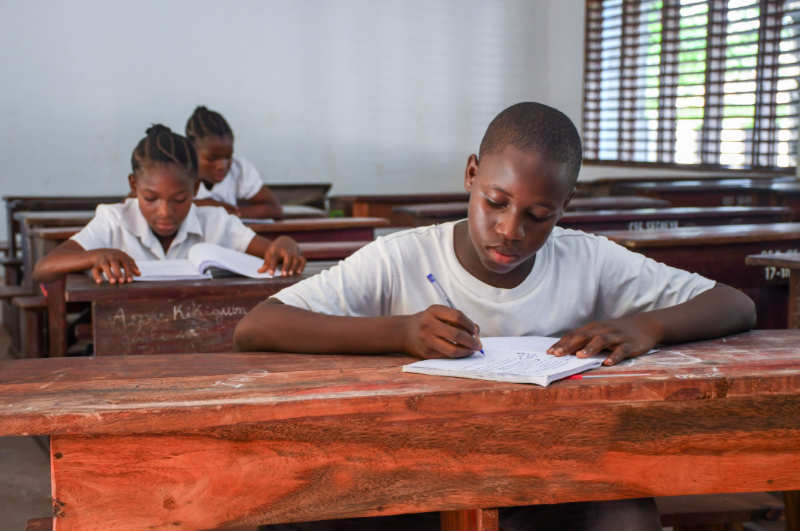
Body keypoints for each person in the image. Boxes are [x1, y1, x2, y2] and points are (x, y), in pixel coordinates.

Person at [234, 102, 756, 531]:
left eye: (537, 215)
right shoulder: (402, 257)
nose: (510, 230)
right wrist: (400, 330)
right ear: (471, 174)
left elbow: (736, 303)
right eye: (496, 202)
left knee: (627, 518)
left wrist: (648, 326)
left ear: (565, 205)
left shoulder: (589, 259)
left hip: (544, 478)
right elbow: (258, 326)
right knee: (298, 513)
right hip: (414, 474)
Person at [33, 125, 305, 285]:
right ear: (133, 186)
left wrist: (285, 243)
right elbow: (43, 269)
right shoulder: (113, 220)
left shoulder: (216, 221)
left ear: (196, 188)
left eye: (179, 199)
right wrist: (95, 255)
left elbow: (275, 251)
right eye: (151, 199)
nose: (165, 212)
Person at [186, 106, 284, 219]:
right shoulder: (178, 170)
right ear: (191, 152)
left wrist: (231, 214)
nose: (222, 166)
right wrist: (216, 207)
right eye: (211, 158)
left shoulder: (239, 168)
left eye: (228, 157)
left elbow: (274, 209)